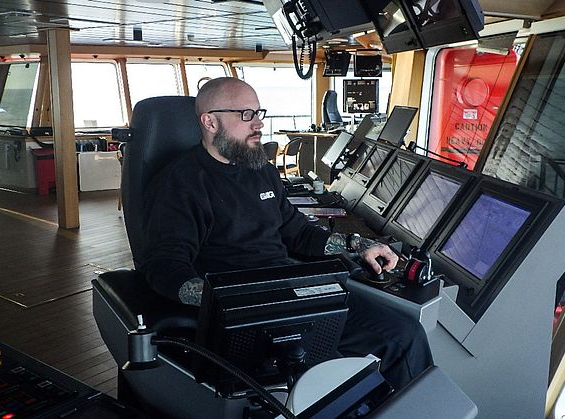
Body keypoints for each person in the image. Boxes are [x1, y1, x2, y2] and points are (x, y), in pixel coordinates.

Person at [144, 77, 432, 391]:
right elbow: (164, 266)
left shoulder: (261, 170)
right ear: (210, 121)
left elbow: (298, 233)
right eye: (246, 115)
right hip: (246, 310)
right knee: (340, 380)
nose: (258, 124)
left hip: (290, 290)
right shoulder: (182, 183)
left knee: (406, 334)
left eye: (258, 113)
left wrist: (357, 244)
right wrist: (219, 296)